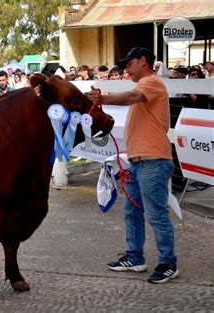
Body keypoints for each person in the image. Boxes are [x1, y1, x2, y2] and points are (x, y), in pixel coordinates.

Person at [88, 47, 178, 284]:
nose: (126, 68)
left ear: (143, 61)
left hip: (152, 161)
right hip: (140, 161)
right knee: (133, 211)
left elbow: (130, 97)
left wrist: (103, 98)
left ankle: (168, 262)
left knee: (155, 214)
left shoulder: (151, 83)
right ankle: (135, 257)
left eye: (130, 63)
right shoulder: (147, 85)